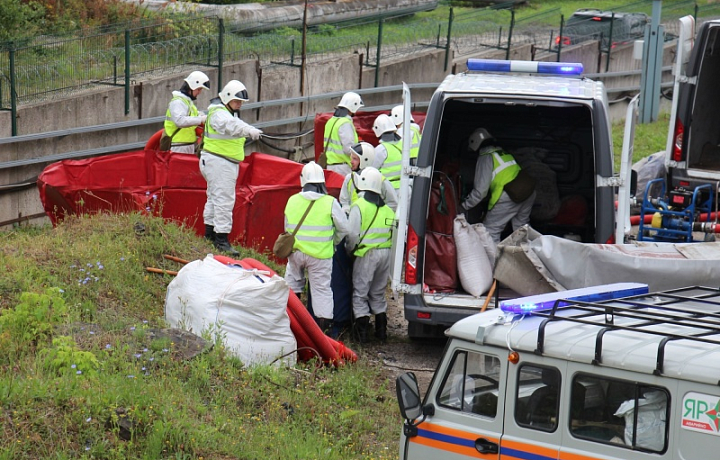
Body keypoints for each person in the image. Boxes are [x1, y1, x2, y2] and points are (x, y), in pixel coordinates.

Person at [199, 80, 263, 256]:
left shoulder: (224, 111)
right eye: (237, 101)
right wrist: (249, 130)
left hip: (218, 161)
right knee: (224, 200)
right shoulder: (220, 114)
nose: (240, 105)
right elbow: (231, 126)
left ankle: (210, 234)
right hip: (220, 163)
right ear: (227, 98)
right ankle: (221, 240)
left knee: (214, 198)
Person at [284, 161, 349, 334]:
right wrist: (333, 241)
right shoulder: (329, 202)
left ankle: (291, 327)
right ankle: (324, 336)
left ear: (302, 180)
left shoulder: (292, 200)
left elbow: (287, 227)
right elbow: (344, 228)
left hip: (296, 253)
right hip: (320, 256)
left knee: (292, 285)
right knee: (321, 292)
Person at [345, 167, 395, 343]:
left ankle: (361, 336)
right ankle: (381, 333)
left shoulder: (359, 206)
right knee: (378, 292)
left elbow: (352, 235)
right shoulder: (388, 210)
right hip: (385, 254)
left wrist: (349, 250)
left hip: (367, 254)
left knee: (360, 293)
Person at [461, 128, 536, 243]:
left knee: (490, 231)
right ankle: (530, 256)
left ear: (475, 145)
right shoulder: (502, 153)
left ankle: (493, 261)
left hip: (511, 195)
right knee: (522, 229)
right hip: (528, 191)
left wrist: (464, 206)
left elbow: (480, 192)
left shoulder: (486, 157)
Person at [339, 141, 398, 214]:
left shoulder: (380, 179)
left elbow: (393, 203)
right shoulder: (349, 178)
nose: (351, 162)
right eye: (351, 158)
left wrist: (380, 216)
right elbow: (344, 200)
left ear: (365, 160)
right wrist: (347, 210)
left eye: (355, 159)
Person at [164, 70, 210, 154]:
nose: (199, 92)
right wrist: (200, 119)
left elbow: (190, 116)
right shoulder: (178, 102)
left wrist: (200, 115)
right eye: (199, 89)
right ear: (192, 86)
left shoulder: (187, 102)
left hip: (187, 145)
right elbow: (179, 121)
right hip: (178, 146)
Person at [323, 91, 364, 176]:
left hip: (330, 166)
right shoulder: (345, 123)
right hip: (343, 167)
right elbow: (349, 149)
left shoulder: (331, 121)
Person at [371, 114, 403, 190]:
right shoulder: (403, 144)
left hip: (388, 189)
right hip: (405, 186)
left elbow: (372, 169)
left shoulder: (381, 149)